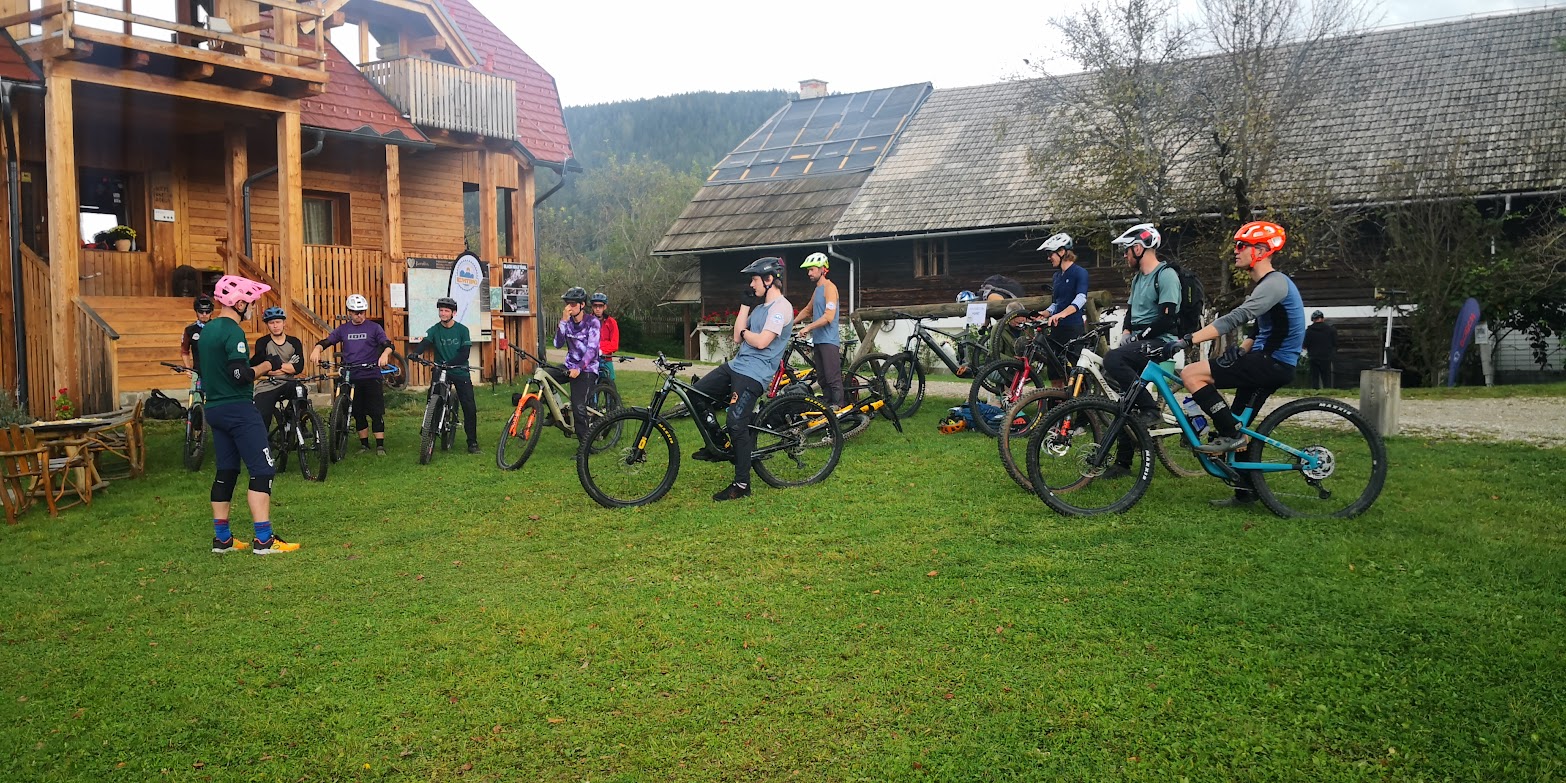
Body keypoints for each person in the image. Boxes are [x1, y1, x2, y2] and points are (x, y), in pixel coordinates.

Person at [1158, 220, 1306, 508]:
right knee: (1240, 420)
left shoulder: (1275, 283)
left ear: (1260, 251)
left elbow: (1236, 318)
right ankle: (1244, 491)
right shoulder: (1267, 285)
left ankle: (1230, 434)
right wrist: (1240, 350)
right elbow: (1261, 329)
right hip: (1267, 360)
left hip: (1272, 362)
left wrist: (1188, 340)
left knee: (1191, 374)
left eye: (1241, 246)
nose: (1235, 251)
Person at [198, 275, 299, 554]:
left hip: (214, 408)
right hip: (239, 409)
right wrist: (267, 365)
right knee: (263, 470)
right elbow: (239, 374)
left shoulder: (207, 330)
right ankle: (264, 540)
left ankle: (223, 539)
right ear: (240, 303)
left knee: (227, 470)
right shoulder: (233, 331)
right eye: (251, 303)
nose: (253, 308)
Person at [692, 256, 794, 502]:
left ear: (769, 280)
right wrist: (745, 306)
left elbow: (761, 342)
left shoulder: (781, 308)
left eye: (755, 279)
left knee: (736, 422)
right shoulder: (758, 309)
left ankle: (742, 484)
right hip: (737, 365)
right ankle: (719, 445)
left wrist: (746, 331)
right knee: (696, 394)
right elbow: (737, 337)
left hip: (755, 372)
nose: (751, 284)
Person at [1103, 223, 1181, 425]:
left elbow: (1167, 319)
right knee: (1123, 404)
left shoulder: (1166, 275)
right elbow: (1131, 311)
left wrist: (1138, 337)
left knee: (1112, 359)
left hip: (1160, 340)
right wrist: (1126, 332)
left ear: (1138, 248)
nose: (1125, 255)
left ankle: (1150, 409)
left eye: (1126, 250)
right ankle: (1133, 435)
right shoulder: (1138, 278)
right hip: (1139, 340)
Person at [309, 294, 394, 455]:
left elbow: (388, 344)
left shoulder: (374, 328)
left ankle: (380, 445)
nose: (359, 315)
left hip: (371, 375)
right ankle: (364, 444)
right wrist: (317, 349)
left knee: (376, 412)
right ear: (349, 312)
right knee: (357, 411)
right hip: (352, 375)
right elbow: (327, 341)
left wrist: (385, 354)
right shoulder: (343, 329)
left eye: (362, 312)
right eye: (356, 312)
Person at [411, 297, 479, 453]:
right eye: (441, 310)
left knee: (469, 406)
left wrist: (450, 363)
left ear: (453, 313)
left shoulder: (462, 330)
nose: (443, 313)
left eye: (446, 311)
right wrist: (416, 353)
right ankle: (428, 427)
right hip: (441, 370)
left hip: (459, 370)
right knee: (432, 397)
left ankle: (472, 442)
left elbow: (465, 353)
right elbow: (425, 342)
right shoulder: (435, 329)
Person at [791, 252, 845, 410]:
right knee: (821, 376)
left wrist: (808, 327)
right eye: (808, 270)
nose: (809, 273)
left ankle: (839, 405)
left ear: (823, 269)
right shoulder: (818, 290)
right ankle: (827, 404)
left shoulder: (830, 288)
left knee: (832, 375)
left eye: (812, 269)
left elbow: (828, 316)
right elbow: (808, 310)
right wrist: (791, 323)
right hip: (819, 340)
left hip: (829, 340)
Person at [1038, 232, 1089, 376]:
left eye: (1050, 254)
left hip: (1073, 327)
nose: (1048, 258)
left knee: (1074, 372)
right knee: (1054, 371)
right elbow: (1056, 303)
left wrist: (1062, 314)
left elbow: (1081, 298)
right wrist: (1045, 313)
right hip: (1056, 328)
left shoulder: (1080, 272)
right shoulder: (1057, 276)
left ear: (1061, 252)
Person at [552, 287, 601, 431]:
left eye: (573, 304)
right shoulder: (567, 322)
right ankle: (556, 413)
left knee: (578, 407)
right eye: (567, 304)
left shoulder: (592, 322)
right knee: (544, 375)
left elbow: (592, 350)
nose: (569, 307)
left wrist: (578, 368)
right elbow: (557, 344)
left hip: (587, 369)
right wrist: (563, 321)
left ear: (582, 305)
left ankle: (584, 443)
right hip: (569, 366)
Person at [251, 307, 304, 433]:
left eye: (278, 322)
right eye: (271, 323)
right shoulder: (262, 343)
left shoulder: (294, 342)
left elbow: (298, 367)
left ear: (284, 323)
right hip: (268, 384)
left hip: (289, 382)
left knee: (301, 392)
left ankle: (298, 424)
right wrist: (287, 367)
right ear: (267, 325)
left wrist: (273, 365)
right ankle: (263, 439)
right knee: (262, 413)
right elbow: (261, 368)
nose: (275, 326)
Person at [180, 294, 215, 376]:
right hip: (198, 372)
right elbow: (184, 351)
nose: (204, 314)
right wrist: (188, 369)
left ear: (211, 312)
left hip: (216, 372)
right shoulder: (189, 330)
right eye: (201, 311)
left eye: (207, 311)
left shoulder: (218, 328)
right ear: (196, 311)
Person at [1303, 310, 1337, 389]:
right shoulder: (1331, 330)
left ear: (1313, 320)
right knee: (1326, 376)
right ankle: (1327, 391)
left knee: (1314, 376)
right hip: (1326, 356)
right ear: (1323, 318)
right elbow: (1335, 343)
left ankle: (1315, 391)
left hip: (1313, 356)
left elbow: (1304, 345)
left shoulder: (1309, 331)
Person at [591, 292, 620, 383]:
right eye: (595, 306)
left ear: (605, 307)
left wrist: (600, 350)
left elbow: (614, 344)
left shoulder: (611, 322)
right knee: (588, 384)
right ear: (592, 307)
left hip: (606, 359)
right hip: (590, 360)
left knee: (610, 383)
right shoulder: (587, 321)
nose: (597, 309)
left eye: (600, 306)